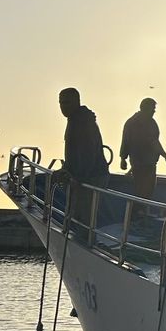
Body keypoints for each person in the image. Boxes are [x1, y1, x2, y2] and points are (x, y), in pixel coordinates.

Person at [58, 88, 107, 232]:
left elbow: (88, 152)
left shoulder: (83, 121)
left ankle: (84, 244)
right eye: (60, 103)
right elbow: (74, 153)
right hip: (82, 175)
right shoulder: (74, 119)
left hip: (91, 177)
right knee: (77, 216)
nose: (63, 106)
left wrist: (79, 178)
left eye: (67, 102)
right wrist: (65, 169)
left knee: (84, 218)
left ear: (77, 102)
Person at [119, 98, 166, 199]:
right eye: (152, 108)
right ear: (146, 108)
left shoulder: (136, 122)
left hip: (146, 163)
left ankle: (140, 210)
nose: (154, 111)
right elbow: (154, 142)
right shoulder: (142, 123)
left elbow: (126, 141)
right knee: (144, 191)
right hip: (142, 163)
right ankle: (139, 211)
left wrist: (123, 158)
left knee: (142, 191)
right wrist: (123, 158)